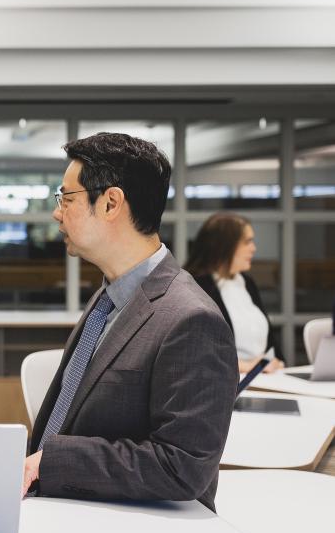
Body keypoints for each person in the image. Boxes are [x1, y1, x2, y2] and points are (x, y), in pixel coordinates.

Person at [21, 133, 237, 511]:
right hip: (72, 508)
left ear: (110, 203)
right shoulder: (109, 297)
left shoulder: (192, 319)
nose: (57, 212)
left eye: (66, 198)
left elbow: (183, 466)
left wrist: (51, 462)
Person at [184, 213, 284, 373]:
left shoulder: (247, 282)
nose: (254, 248)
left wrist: (275, 362)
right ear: (225, 246)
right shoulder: (197, 286)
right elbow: (197, 354)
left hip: (263, 379)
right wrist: (249, 367)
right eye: (247, 242)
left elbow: (271, 344)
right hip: (224, 383)